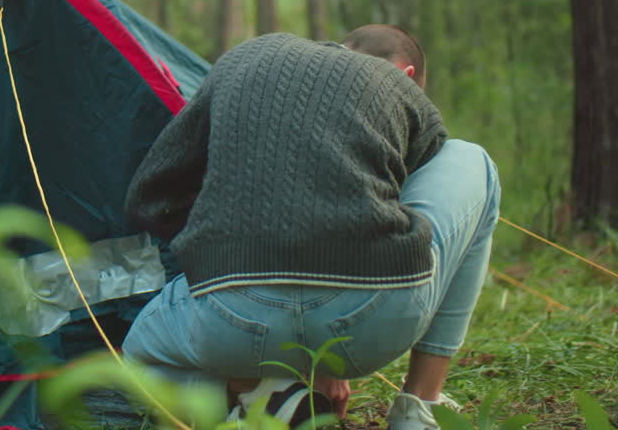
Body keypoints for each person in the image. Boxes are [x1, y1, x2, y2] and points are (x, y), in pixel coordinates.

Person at [121, 27, 501, 430]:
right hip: (371, 324)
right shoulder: (393, 84)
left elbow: (149, 199)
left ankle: (254, 392)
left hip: (231, 322)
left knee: (143, 356)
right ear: (407, 74)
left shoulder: (247, 57)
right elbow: (410, 183)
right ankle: (419, 408)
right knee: (468, 157)